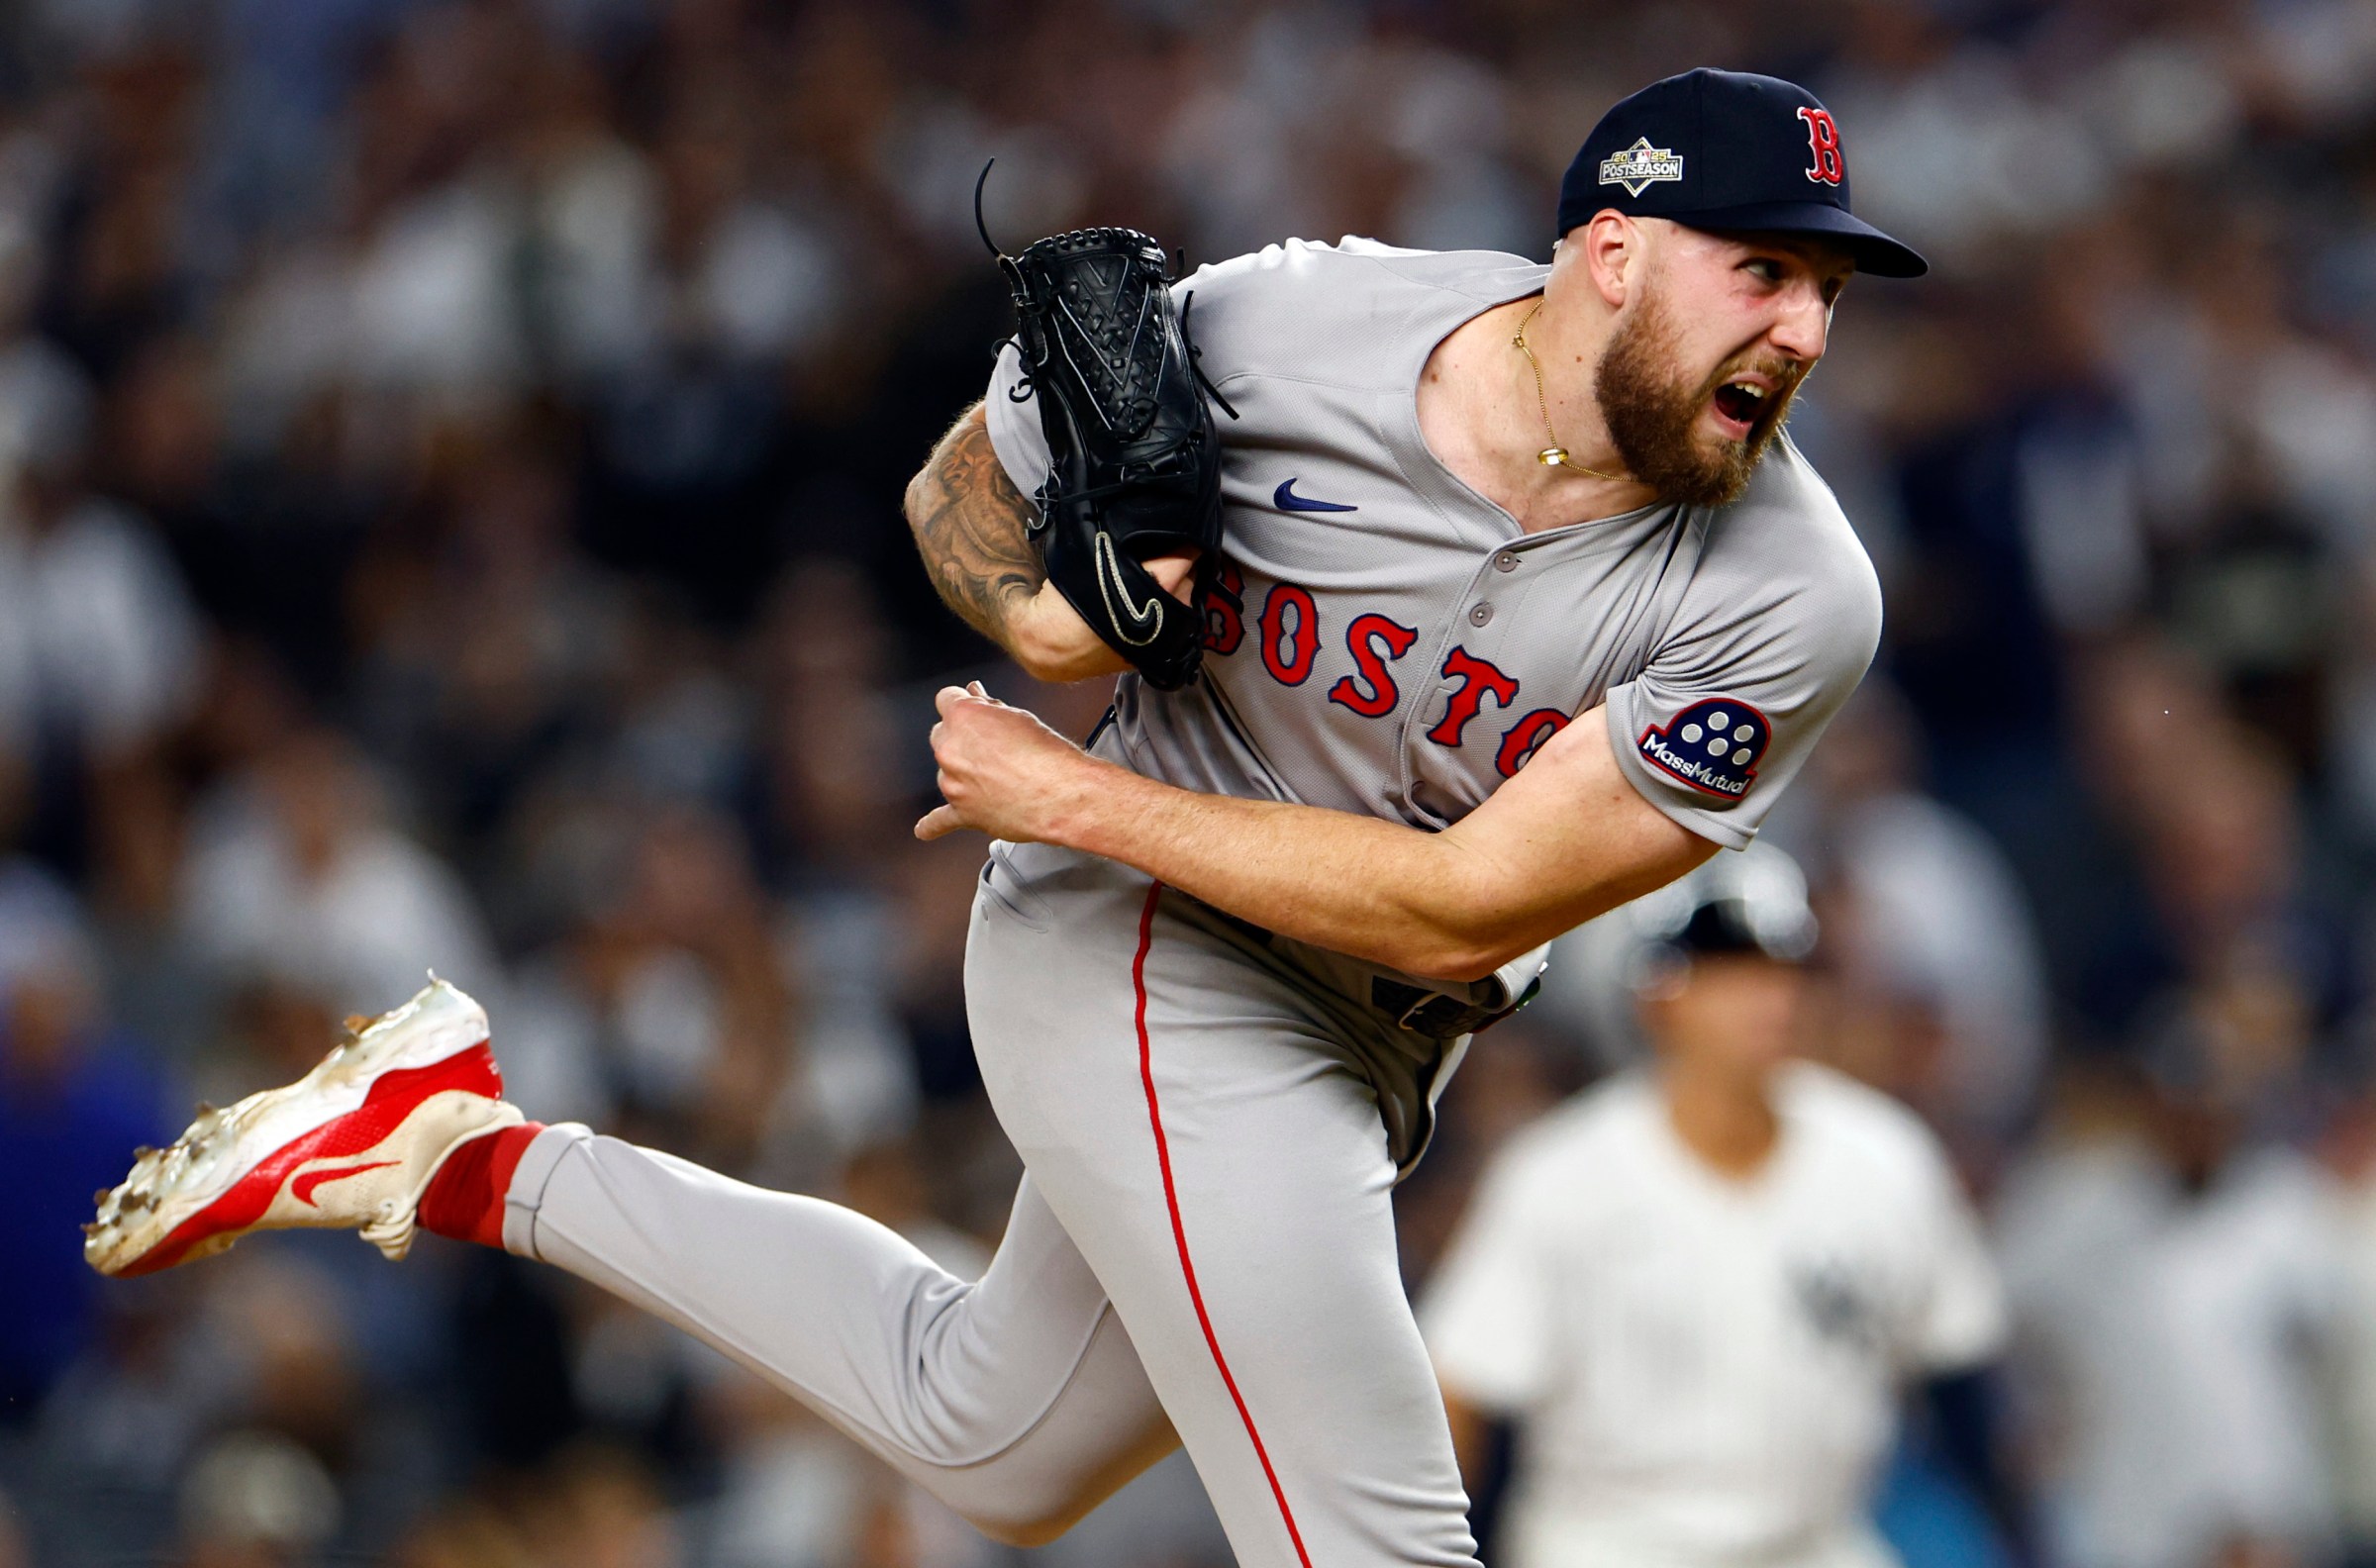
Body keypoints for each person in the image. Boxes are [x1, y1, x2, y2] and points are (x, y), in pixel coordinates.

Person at [86, 69, 1916, 1568]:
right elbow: (967, 477)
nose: (1806, 328)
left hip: (1354, 1004)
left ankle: (455, 1146)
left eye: (1829, 293)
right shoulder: (1303, 323)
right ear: (1612, 248)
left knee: (997, 1435)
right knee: (1384, 1543)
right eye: (1765, 271)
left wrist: (1076, 780)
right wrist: (1046, 614)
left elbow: (1461, 904)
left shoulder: (1790, 593)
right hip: (1132, 948)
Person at [1423, 849, 2019, 1568]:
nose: (1768, 996)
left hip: (1813, 1544)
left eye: (1782, 967)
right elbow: (1467, 1400)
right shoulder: (1560, 1175)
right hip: (1610, 1546)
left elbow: (1964, 1379)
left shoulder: (1885, 1158)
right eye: (1729, 967)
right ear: (1657, 993)